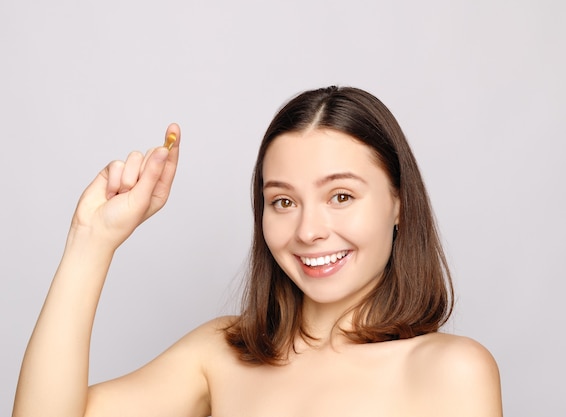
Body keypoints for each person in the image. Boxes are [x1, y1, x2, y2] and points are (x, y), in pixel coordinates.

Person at [12, 86, 502, 417]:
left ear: (398, 203)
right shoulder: (222, 352)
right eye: (283, 201)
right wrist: (90, 240)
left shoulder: (452, 370)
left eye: (341, 197)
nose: (309, 230)